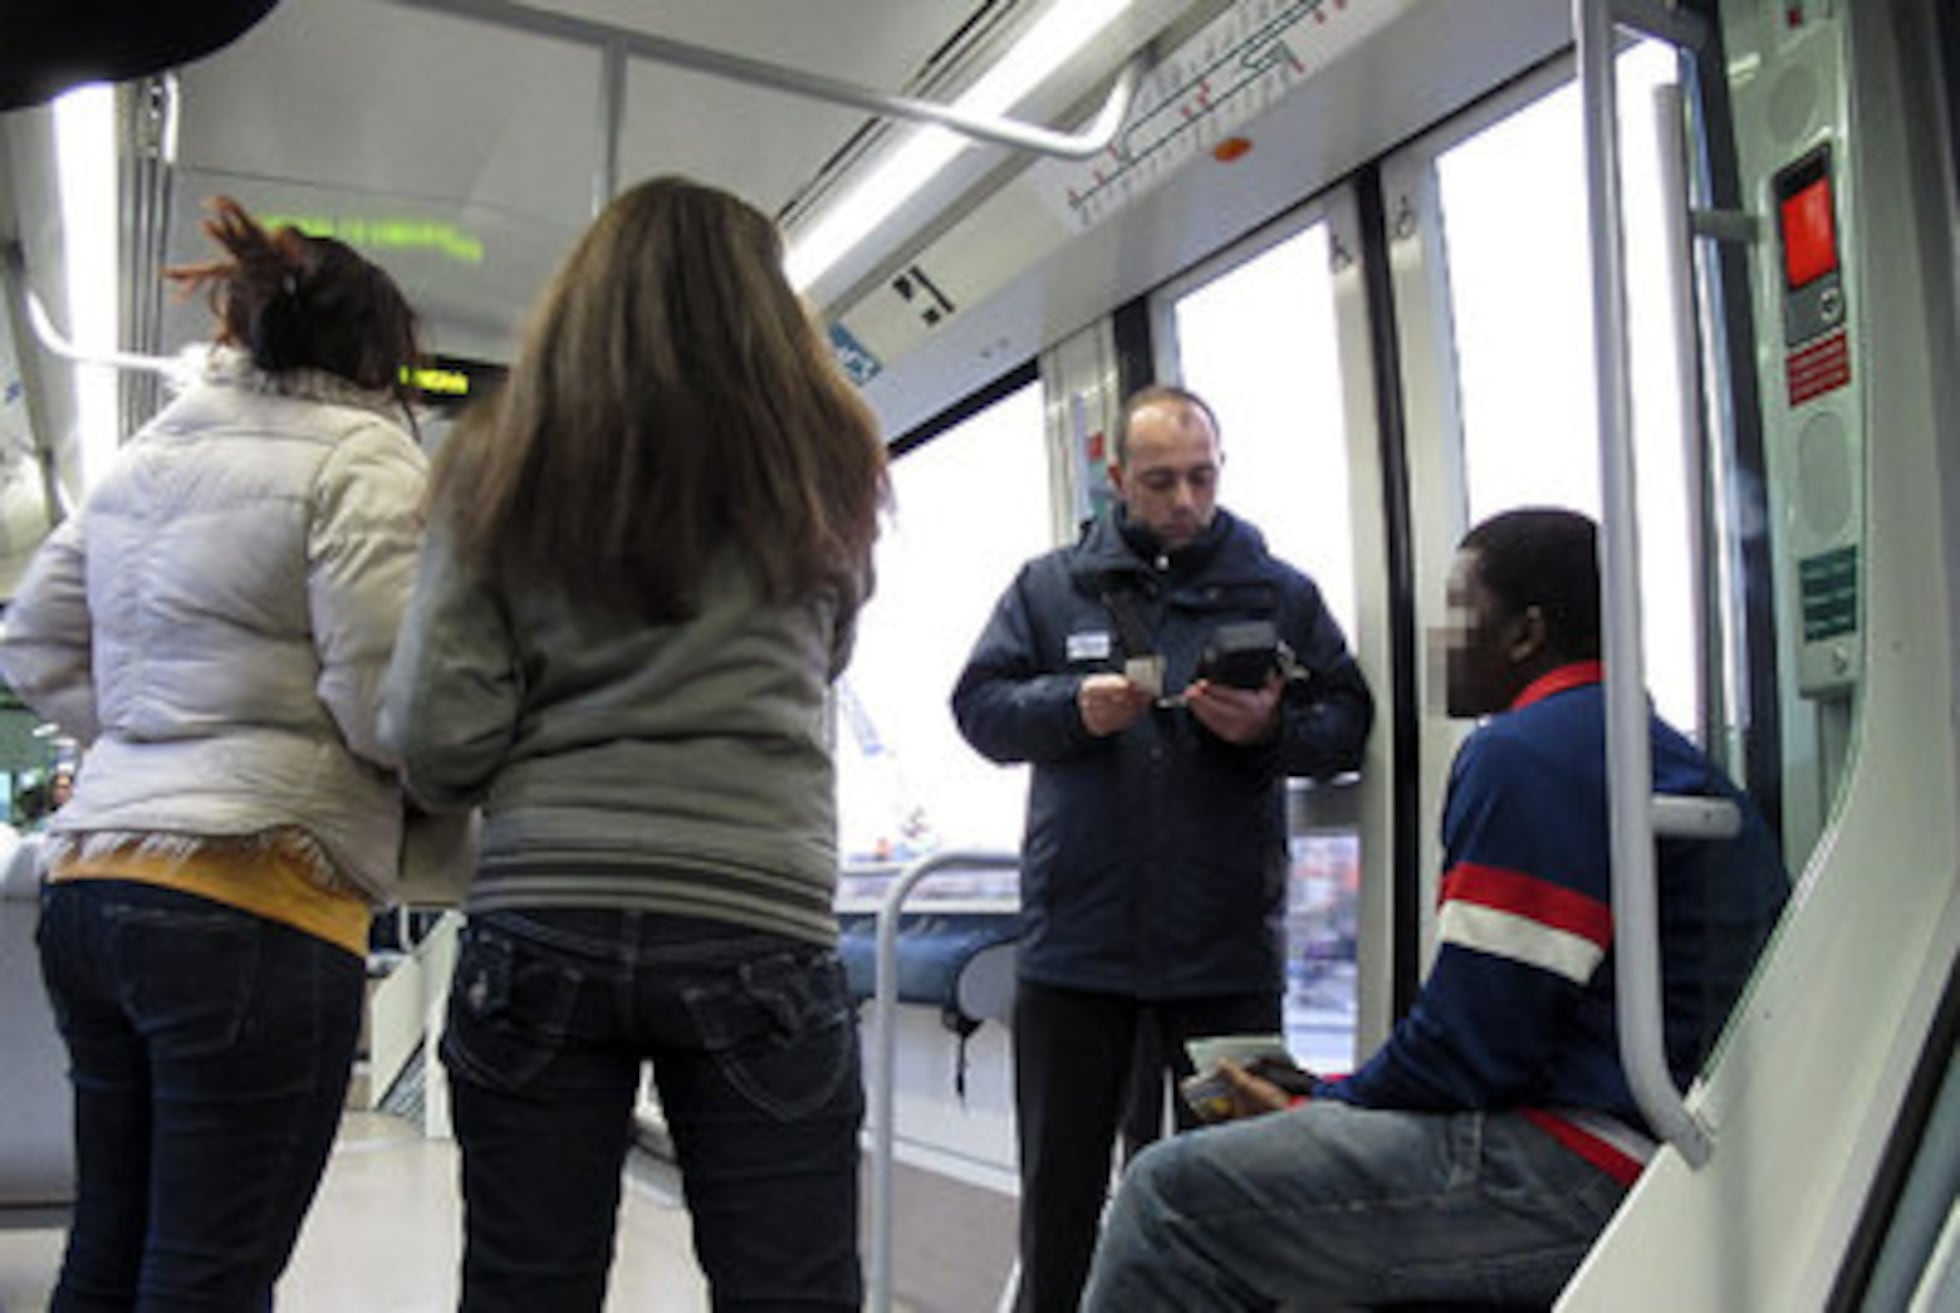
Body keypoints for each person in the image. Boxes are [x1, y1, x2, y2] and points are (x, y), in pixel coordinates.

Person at [379, 175, 888, 1313]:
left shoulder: (495, 459)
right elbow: (829, 653)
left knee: (525, 1285)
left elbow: (437, 739)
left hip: (546, 911)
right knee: (793, 1290)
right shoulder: (831, 461)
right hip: (758, 911)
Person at [1080, 507, 1791, 1311]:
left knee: (1168, 1195)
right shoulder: (1628, 740)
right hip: (1670, 1145)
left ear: (1525, 633)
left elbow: (1473, 1049)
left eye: (1457, 611)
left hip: (1583, 1166)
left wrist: (1322, 1099)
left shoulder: (1526, 753)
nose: (1436, 639)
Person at [0, 197, 428, 1309]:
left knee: (106, 1246)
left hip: (91, 884)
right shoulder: (367, 458)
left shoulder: (150, 451)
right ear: (381, 351)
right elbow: (383, 700)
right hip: (254, 895)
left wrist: (152, 736)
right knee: (207, 1272)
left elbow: (33, 640)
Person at [951, 384, 1374, 1312]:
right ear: (1117, 481)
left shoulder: (1278, 591)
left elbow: (1347, 721)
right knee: (1058, 1202)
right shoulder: (1049, 588)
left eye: (1201, 476)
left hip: (1225, 955)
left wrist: (1268, 728)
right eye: (1159, 481)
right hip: (1074, 955)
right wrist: (1070, 708)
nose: (1184, 500)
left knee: (1239, 1200)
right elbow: (978, 709)